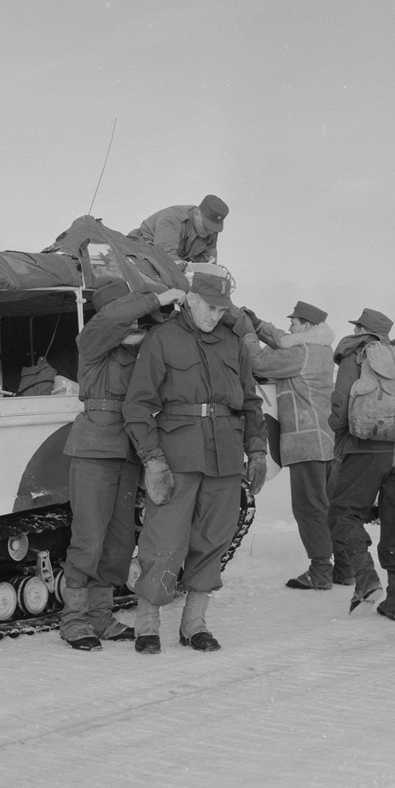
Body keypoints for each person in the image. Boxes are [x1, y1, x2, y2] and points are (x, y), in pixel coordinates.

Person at [122, 264, 267, 654]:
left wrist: (256, 450)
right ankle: (147, 624)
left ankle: (194, 624)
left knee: (213, 540)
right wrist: (152, 459)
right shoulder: (162, 339)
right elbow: (137, 406)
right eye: (208, 307)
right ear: (189, 298)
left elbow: (251, 402)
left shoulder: (233, 343)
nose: (214, 316)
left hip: (224, 456)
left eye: (222, 310)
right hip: (177, 457)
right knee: (163, 541)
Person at [59, 278, 186, 651]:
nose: (136, 322)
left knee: (118, 541)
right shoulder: (95, 342)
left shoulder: (139, 349)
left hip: (128, 450)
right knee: (88, 539)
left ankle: (99, 615)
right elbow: (113, 320)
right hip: (95, 448)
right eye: (131, 311)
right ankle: (73, 619)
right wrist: (155, 299)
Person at [234, 301, 335, 590]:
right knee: (325, 505)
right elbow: (283, 340)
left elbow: (260, 363)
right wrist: (260, 325)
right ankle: (345, 568)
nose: (290, 324)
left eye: (295, 321)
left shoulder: (301, 354)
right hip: (323, 440)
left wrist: (247, 334)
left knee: (308, 508)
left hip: (306, 444)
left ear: (307, 326)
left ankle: (320, 571)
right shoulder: (319, 348)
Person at [327, 309, 395, 619]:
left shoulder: (357, 353)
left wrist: (337, 429)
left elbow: (340, 405)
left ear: (362, 329)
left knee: (343, 513)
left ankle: (366, 580)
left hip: (364, 448)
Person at [127, 195, 229, 264]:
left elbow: (207, 265)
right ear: (197, 213)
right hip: (141, 251)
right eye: (206, 225)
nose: (209, 231)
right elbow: (165, 254)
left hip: (171, 262)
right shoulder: (173, 217)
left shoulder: (211, 233)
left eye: (213, 228)